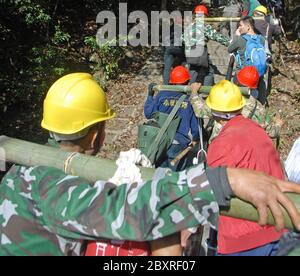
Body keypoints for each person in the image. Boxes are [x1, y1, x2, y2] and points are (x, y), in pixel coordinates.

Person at [3, 75, 300, 256]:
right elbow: (131, 210)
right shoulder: (56, 190)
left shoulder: (18, 170)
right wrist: (223, 181)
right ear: (97, 133)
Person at [206, 80, 288, 256]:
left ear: (214, 113)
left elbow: (211, 193)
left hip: (243, 241)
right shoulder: (258, 130)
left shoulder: (221, 144)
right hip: (278, 229)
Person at [144, 66, 200, 170]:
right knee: (174, 176)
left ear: (171, 82)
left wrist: (150, 95)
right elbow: (195, 129)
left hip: (160, 140)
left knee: (160, 173)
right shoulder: (189, 101)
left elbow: (148, 113)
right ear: (187, 82)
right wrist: (198, 138)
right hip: (178, 144)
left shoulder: (161, 95)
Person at [183, 5, 230, 85]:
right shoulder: (205, 26)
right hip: (200, 52)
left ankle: (189, 90)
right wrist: (229, 42)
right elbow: (217, 37)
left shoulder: (189, 26)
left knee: (193, 69)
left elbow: (182, 38)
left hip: (190, 52)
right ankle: (206, 90)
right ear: (204, 16)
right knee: (210, 70)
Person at [227, 16, 268, 104]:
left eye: (241, 26)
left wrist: (236, 36)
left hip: (243, 76)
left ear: (248, 27)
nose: (239, 28)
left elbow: (229, 49)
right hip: (258, 75)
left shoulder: (240, 39)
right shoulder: (261, 39)